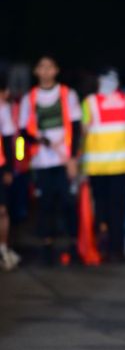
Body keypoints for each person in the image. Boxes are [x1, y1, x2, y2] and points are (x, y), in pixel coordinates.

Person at [18, 56, 82, 265]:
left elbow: (76, 127)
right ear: (36, 71)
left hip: (64, 161)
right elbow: (23, 131)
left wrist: (72, 158)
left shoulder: (67, 94)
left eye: (49, 67)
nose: (45, 71)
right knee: (45, 205)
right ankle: (47, 248)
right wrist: (39, 139)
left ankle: (73, 246)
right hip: (42, 161)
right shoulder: (30, 98)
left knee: (68, 202)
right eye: (41, 67)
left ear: (56, 70)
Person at [81, 67, 125, 261]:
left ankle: (106, 248)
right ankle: (115, 250)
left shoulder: (89, 102)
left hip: (103, 167)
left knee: (103, 209)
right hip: (118, 166)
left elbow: (84, 132)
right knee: (117, 210)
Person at [0, 80, 20, 270]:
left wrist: (9, 169)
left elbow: (9, 141)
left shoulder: (4, 109)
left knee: (2, 211)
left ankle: (3, 249)